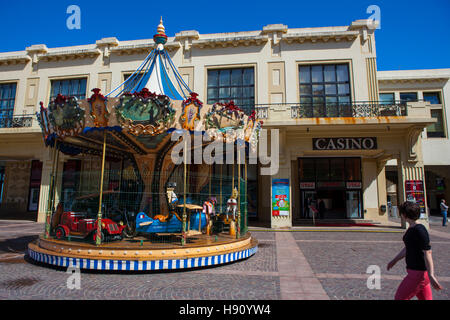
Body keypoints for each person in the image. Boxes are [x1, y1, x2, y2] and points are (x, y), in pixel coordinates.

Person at [387, 201, 443, 300]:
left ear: (404, 215)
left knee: (400, 297)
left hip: (418, 274)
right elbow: (408, 248)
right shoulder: (412, 228)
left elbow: (428, 252)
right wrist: (394, 260)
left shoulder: (420, 230)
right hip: (417, 273)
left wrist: (431, 275)